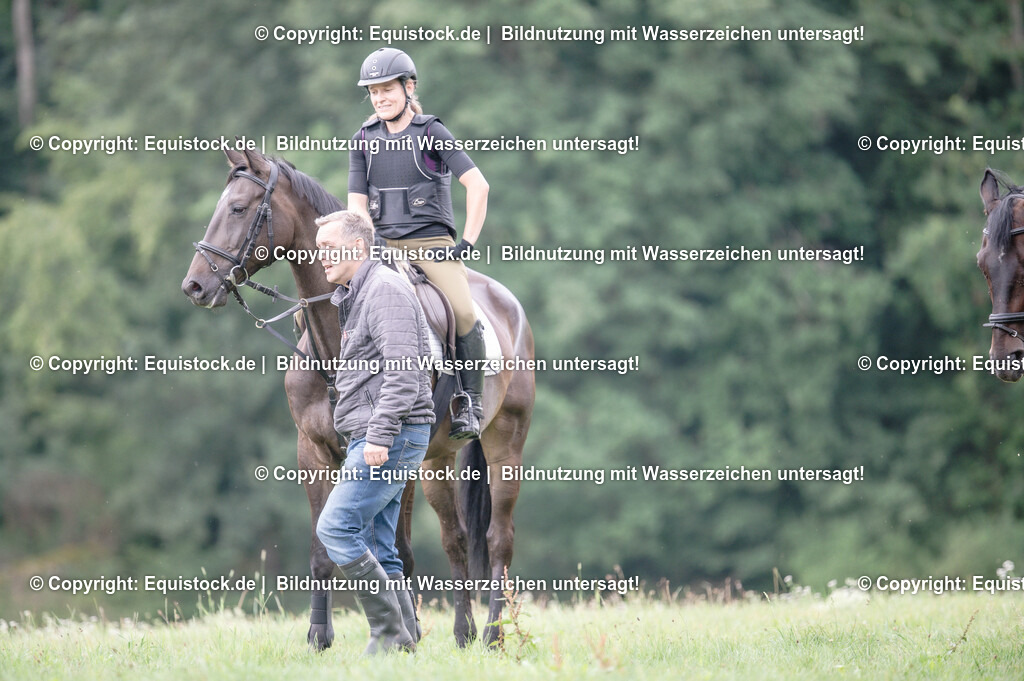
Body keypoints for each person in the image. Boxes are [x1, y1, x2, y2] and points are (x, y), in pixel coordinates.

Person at [347, 47, 488, 440]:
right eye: (373, 92)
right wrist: (363, 249)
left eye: (387, 89)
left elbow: (478, 185)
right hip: (383, 250)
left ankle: (471, 404)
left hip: (432, 248)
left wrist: (468, 243)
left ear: (409, 87)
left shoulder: (431, 132)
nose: (379, 99)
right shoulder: (363, 139)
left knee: (462, 312)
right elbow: (357, 206)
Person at [313, 210, 434, 654]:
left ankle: (388, 632)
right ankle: (403, 647)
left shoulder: (384, 290)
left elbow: (404, 373)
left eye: (328, 248)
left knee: (337, 528)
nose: (319, 257)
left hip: (391, 436)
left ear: (358, 247)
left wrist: (380, 437)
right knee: (379, 544)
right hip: (379, 435)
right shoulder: (357, 293)